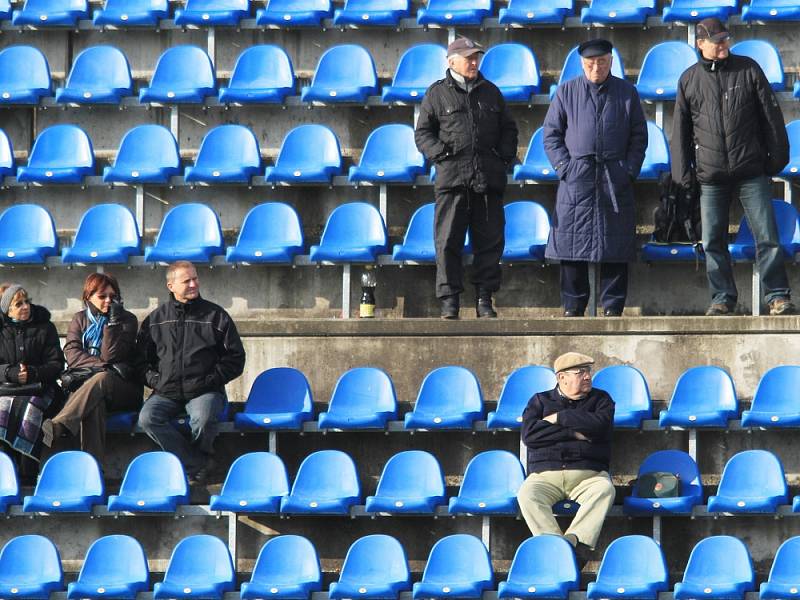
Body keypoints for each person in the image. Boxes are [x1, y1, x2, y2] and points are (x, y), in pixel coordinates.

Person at [671, 17, 794, 316]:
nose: (723, 44)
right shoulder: (688, 80)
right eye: (717, 40)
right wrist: (683, 176)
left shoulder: (749, 69)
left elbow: (771, 118)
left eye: (726, 38)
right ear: (700, 44)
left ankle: (777, 295)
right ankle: (722, 298)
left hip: (751, 171)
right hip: (711, 176)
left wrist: (776, 160)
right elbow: (681, 132)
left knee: (767, 235)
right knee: (713, 240)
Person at [414, 36, 518, 320]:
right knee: (447, 243)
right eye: (468, 58)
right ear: (451, 62)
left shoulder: (492, 92)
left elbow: (509, 130)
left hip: (488, 181)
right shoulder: (436, 94)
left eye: (476, 57)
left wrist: (502, 157)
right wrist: (442, 155)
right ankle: (450, 301)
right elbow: (423, 133)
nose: (474, 62)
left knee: (490, 244)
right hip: (452, 182)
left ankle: (484, 300)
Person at [543, 39, 647, 317]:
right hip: (577, 178)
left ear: (610, 61)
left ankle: (613, 306)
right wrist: (565, 167)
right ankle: (573, 306)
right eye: (590, 63)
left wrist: (629, 170)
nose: (596, 68)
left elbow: (639, 136)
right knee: (571, 244)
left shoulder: (627, 93)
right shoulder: (566, 92)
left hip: (614, 177)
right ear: (582, 64)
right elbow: (551, 135)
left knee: (615, 244)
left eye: (601, 62)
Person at [137, 261, 245, 484]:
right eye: (187, 280)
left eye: (195, 278)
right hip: (166, 392)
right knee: (147, 418)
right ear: (171, 285)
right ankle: (198, 464)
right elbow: (140, 362)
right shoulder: (155, 320)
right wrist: (156, 380)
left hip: (204, 391)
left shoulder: (216, 316)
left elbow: (235, 359)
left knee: (203, 418)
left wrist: (209, 380)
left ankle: (194, 467)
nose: (194, 284)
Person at [516, 352, 615, 568]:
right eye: (581, 372)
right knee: (527, 494)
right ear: (562, 378)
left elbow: (599, 426)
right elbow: (530, 435)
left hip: (588, 475)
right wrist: (573, 433)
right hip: (545, 476)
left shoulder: (601, 400)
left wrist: (560, 418)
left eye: (589, 371)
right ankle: (556, 548)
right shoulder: (540, 401)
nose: (588, 376)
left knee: (605, 489)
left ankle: (573, 544)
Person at [41, 273, 143, 464]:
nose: (108, 301)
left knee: (103, 379)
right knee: (95, 404)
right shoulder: (79, 319)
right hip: (90, 389)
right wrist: (104, 367)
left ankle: (60, 425)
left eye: (113, 296)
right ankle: (93, 471)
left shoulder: (127, 320)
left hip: (123, 389)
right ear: (88, 297)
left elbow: (111, 356)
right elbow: (72, 354)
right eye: (102, 296)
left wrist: (112, 324)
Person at [0, 284, 64, 465]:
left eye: (26, 302)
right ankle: (7, 471)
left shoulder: (45, 327)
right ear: (8, 310)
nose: (25, 306)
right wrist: (9, 373)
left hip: (41, 389)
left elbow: (56, 364)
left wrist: (33, 373)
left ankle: (29, 472)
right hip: (7, 389)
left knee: (30, 409)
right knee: (2, 409)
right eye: (18, 304)